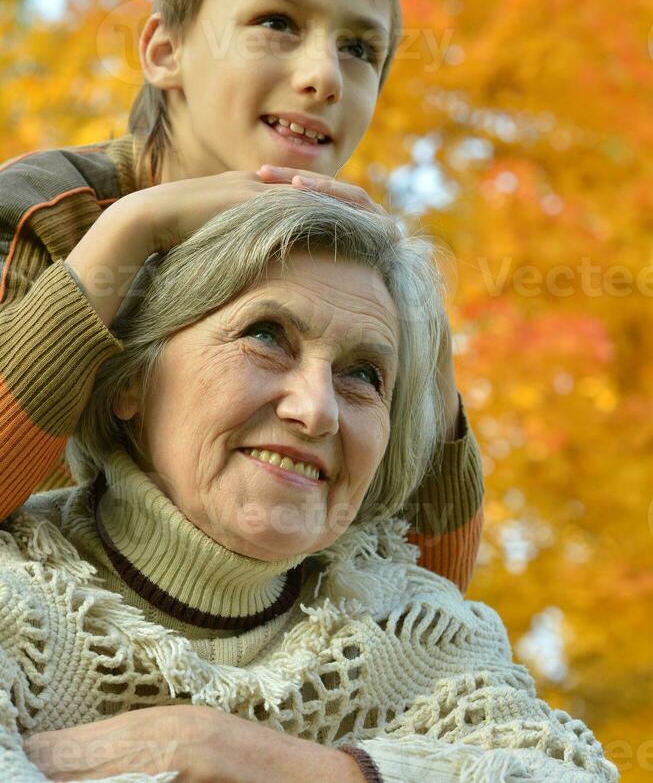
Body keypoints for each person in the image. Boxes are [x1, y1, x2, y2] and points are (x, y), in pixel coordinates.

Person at [2, 189, 616, 783]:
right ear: (132, 380)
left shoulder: (419, 630)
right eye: (266, 336)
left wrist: (260, 760)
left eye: (363, 375)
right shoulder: (18, 595)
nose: (317, 410)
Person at [0, 0, 483, 591]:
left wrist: (423, 339)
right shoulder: (46, 212)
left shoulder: (350, 281)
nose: (322, 76)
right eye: (277, 23)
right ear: (165, 52)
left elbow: (427, 593)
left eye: (359, 49)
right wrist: (132, 230)